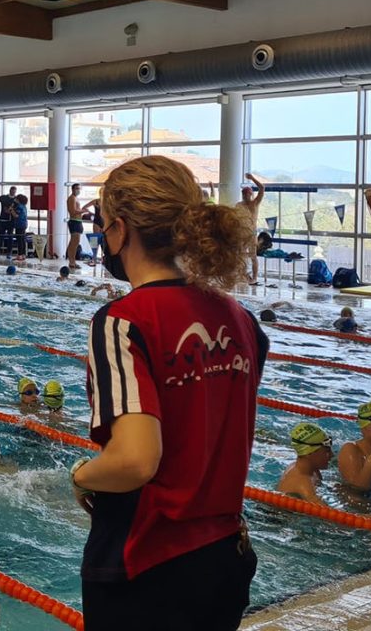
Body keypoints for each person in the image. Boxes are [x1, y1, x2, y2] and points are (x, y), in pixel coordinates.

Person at [71, 155, 266, 630]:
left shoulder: (124, 321)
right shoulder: (241, 320)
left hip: (147, 565)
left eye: (101, 226)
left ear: (119, 231)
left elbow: (137, 461)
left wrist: (82, 475)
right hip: (225, 558)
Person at [275, 423, 333, 504]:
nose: (331, 455)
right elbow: (327, 513)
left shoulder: (311, 470)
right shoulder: (303, 484)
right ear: (309, 453)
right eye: (327, 451)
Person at [238, 173, 265, 285]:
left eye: (247, 194)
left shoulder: (255, 203)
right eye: (244, 194)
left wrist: (252, 178)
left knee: (253, 256)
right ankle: (243, 275)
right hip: (241, 234)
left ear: (251, 194)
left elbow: (262, 188)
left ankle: (254, 278)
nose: (245, 196)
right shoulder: (238, 205)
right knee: (240, 256)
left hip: (252, 234)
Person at [66, 184, 97, 269]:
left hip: (78, 222)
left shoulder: (75, 198)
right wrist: (83, 211)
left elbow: (76, 210)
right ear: (72, 189)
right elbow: (73, 212)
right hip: (74, 222)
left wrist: (85, 212)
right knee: (74, 243)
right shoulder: (71, 198)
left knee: (75, 243)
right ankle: (71, 262)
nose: (78, 190)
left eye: (79, 188)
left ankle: (72, 261)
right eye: (77, 188)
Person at [9, 193, 29, 259]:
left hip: (20, 225)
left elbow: (16, 215)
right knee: (22, 239)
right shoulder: (24, 206)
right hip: (24, 224)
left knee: (19, 240)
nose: (15, 200)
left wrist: (11, 210)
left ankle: (20, 254)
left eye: (16, 199)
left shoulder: (19, 207)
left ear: (18, 200)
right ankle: (23, 254)